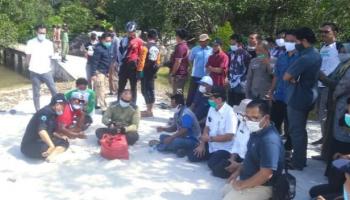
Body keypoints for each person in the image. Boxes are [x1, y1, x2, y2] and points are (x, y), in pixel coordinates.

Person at [222, 99, 284, 200]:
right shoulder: (256, 131)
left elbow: (266, 174)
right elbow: (250, 156)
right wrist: (238, 171)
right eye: (247, 117)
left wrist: (242, 185)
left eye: (254, 118)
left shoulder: (269, 140)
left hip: (263, 186)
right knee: (224, 191)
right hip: (248, 178)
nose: (249, 121)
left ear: (266, 118)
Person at [283, 27, 322, 170]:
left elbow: (286, 76)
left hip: (298, 98)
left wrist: (292, 79)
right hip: (309, 95)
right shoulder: (315, 54)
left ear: (304, 40)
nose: (294, 44)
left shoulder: (306, 57)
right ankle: (300, 159)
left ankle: (298, 162)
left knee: (296, 130)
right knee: (301, 130)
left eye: (296, 41)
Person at [188, 86, 238, 179]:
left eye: (211, 98)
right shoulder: (212, 109)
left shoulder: (230, 113)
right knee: (192, 155)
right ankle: (210, 156)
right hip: (210, 144)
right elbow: (207, 127)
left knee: (212, 164)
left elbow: (229, 136)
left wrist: (210, 139)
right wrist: (202, 144)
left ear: (219, 99)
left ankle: (221, 161)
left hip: (224, 148)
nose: (209, 100)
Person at [313, 22, 346, 146]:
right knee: (319, 114)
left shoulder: (340, 47)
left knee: (325, 116)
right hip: (319, 85)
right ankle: (324, 138)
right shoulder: (322, 47)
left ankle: (327, 143)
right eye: (321, 32)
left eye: (326, 32)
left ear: (335, 33)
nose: (323, 34)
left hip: (330, 86)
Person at [267, 29, 299, 156]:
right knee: (275, 123)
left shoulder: (301, 57)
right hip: (279, 95)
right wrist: (271, 91)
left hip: (293, 96)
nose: (289, 43)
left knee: (291, 125)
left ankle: (289, 149)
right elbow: (276, 75)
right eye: (287, 41)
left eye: (292, 41)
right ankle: (274, 146)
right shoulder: (282, 57)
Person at [20, 94, 69, 162]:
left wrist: (60, 136)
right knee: (45, 148)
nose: (64, 108)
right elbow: (42, 131)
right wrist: (51, 146)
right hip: (29, 145)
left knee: (65, 141)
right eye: (64, 105)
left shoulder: (54, 113)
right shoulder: (45, 112)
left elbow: (51, 131)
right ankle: (50, 151)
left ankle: (51, 155)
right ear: (58, 104)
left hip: (41, 141)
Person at [26, 24, 57, 111]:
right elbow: (28, 56)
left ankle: (55, 108)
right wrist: (29, 66)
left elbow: (50, 56)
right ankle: (38, 110)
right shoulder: (30, 42)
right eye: (40, 32)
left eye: (44, 33)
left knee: (54, 90)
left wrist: (47, 65)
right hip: (34, 71)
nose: (42, 34)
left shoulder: (49, 43)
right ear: (36, 32)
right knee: (36, 93)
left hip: (46, 71)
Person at [224, 99, 252, 180]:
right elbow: (236, 143)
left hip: (247, 161)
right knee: (217, 165)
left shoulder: (254, 128)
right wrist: (232, 160)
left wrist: (239, 166)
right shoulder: (242, 123)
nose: (239, 115)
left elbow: (252, 154)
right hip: (238, 157)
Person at [118, 21, 144, 103]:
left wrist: (140, 71)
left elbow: (142, 56)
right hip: (124, 65)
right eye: (128, 31)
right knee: (121, 85)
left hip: (133, 66)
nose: (130, 33)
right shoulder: (123, 40)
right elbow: (120, 53)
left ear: (135, 31)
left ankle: (133, 103)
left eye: (131, 31)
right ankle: (119, 101)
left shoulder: (139, 41)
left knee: (133, 86)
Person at [139, 29, 161, 117]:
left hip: (145, 71)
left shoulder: (145, 47)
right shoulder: (157, 47)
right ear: (155, 37)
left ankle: (148, 111)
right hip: (153, 71)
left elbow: (142, 60)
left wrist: (139, 71)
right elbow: (158, 62)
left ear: (148, 37)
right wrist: (155, 71)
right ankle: (150, 109)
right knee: (151, 90)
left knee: (145, 90)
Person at [186, 34, 212, 106]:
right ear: (200, 41)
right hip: (196, 75)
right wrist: (191, 67)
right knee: (192, 93)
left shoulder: (211, 50)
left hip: (206, 77)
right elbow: (190, 59)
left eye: (206, 41)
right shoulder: (195, 49)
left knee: (202, 94)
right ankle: (187, 108)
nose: (205, 42)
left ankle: (197, 110)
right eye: (203, 41)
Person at [90, 32, 114, 112]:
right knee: (101, 90)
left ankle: (93, 104)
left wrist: (107, 72)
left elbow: (106, 60)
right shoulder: (98, 49)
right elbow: (94, 62)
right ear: (103, 40)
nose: (109, 42)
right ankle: (104, 108)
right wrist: (93, 74)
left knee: (97, 89)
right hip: (98, 72)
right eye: (107, 41)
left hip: (104, 72)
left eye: (110, 41)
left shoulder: (107, 48)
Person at [227, 33, 252, 106]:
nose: (231, 45)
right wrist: (228, 78)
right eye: (230, 43)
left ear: (240, 43)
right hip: (231, 82)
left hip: (240, 83)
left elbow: (248, 68)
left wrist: (244, 80)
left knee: (239, 104)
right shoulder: (230, 53)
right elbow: (229, 67)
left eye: (233, 43)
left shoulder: (245, 54)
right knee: (230, 103)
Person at [169, 28, 190, 95]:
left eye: (176, 36)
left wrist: (172, 73)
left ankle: (177, 105)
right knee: (179, 93)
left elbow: (178, 62)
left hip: (179, 75)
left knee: (177, 94)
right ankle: (178, 104)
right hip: (182, 74)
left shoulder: (180, 47)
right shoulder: (185, 46)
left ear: (178, 36)